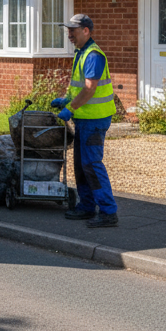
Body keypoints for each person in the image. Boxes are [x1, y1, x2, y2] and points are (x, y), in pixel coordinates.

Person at [51, 14, 118, 228]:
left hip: (95, 120)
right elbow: (80, 88)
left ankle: (108, 212)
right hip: (85, 119)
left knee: (92, 165)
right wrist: (66, 100)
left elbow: (90, 89)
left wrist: (69, 109)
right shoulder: (82, 53)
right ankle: (87, 206)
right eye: (68, 30)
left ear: (86, 31)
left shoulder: (93, 55)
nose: (69, 35)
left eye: (73, 30)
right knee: (82, 166)